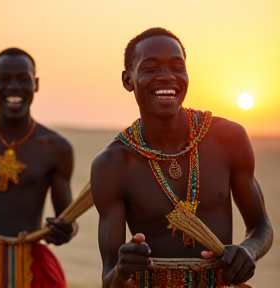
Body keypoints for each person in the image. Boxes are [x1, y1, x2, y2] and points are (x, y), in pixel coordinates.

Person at [90, 28, 273, 288]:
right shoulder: (113, 165)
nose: (167, 77)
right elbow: (109, 280)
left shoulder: (229, 138)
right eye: (151, 68)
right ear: (128, 80)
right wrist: (122, 271)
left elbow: (261, 226)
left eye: (177, 67)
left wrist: (249, 250)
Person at [0, 48, 78, 288]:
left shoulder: (55, 148)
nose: (13, 87)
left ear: (36, 84)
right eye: (3, 79)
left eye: (23, 79)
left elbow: (68, 219)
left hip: (29, 269)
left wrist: (64, 231)